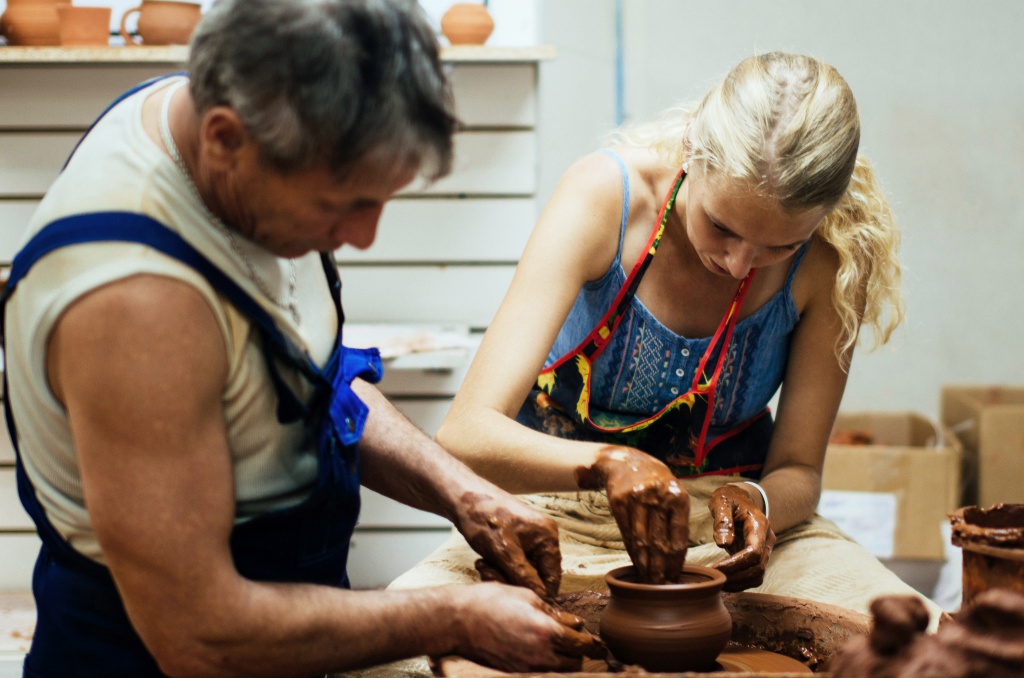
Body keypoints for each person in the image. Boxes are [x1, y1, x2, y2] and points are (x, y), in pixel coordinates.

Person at [0, 0, 603, 675]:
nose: (365, 236)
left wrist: (464, 494)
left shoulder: (221, 136)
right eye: (342, 204)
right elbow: (201, 636)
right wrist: (452, 617)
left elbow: (304, 380)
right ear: (224, 138)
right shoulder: (133, 302)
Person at [389, 52, 945, 625]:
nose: (738, 264)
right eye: (722, 227)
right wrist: (611, 464)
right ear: (694, 151)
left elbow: (800, 470)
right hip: (558, 511)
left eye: (778, 247)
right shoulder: (607, 197)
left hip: (722, 529)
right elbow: (465, 434)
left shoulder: (834, 254)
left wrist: (760, 503)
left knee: (919, 643)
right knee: (400, 644)